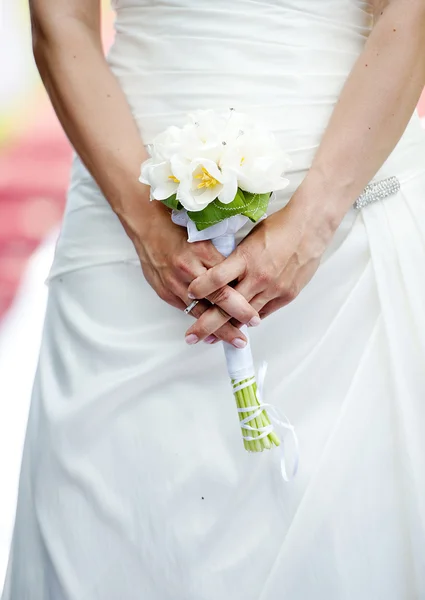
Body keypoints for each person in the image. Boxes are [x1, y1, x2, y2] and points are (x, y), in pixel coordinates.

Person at [3, 0, 425, 598]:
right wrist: (145, 227)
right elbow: (60, 20)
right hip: (125, 207)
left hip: (345, 217)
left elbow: (408, 15)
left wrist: (310, 225)